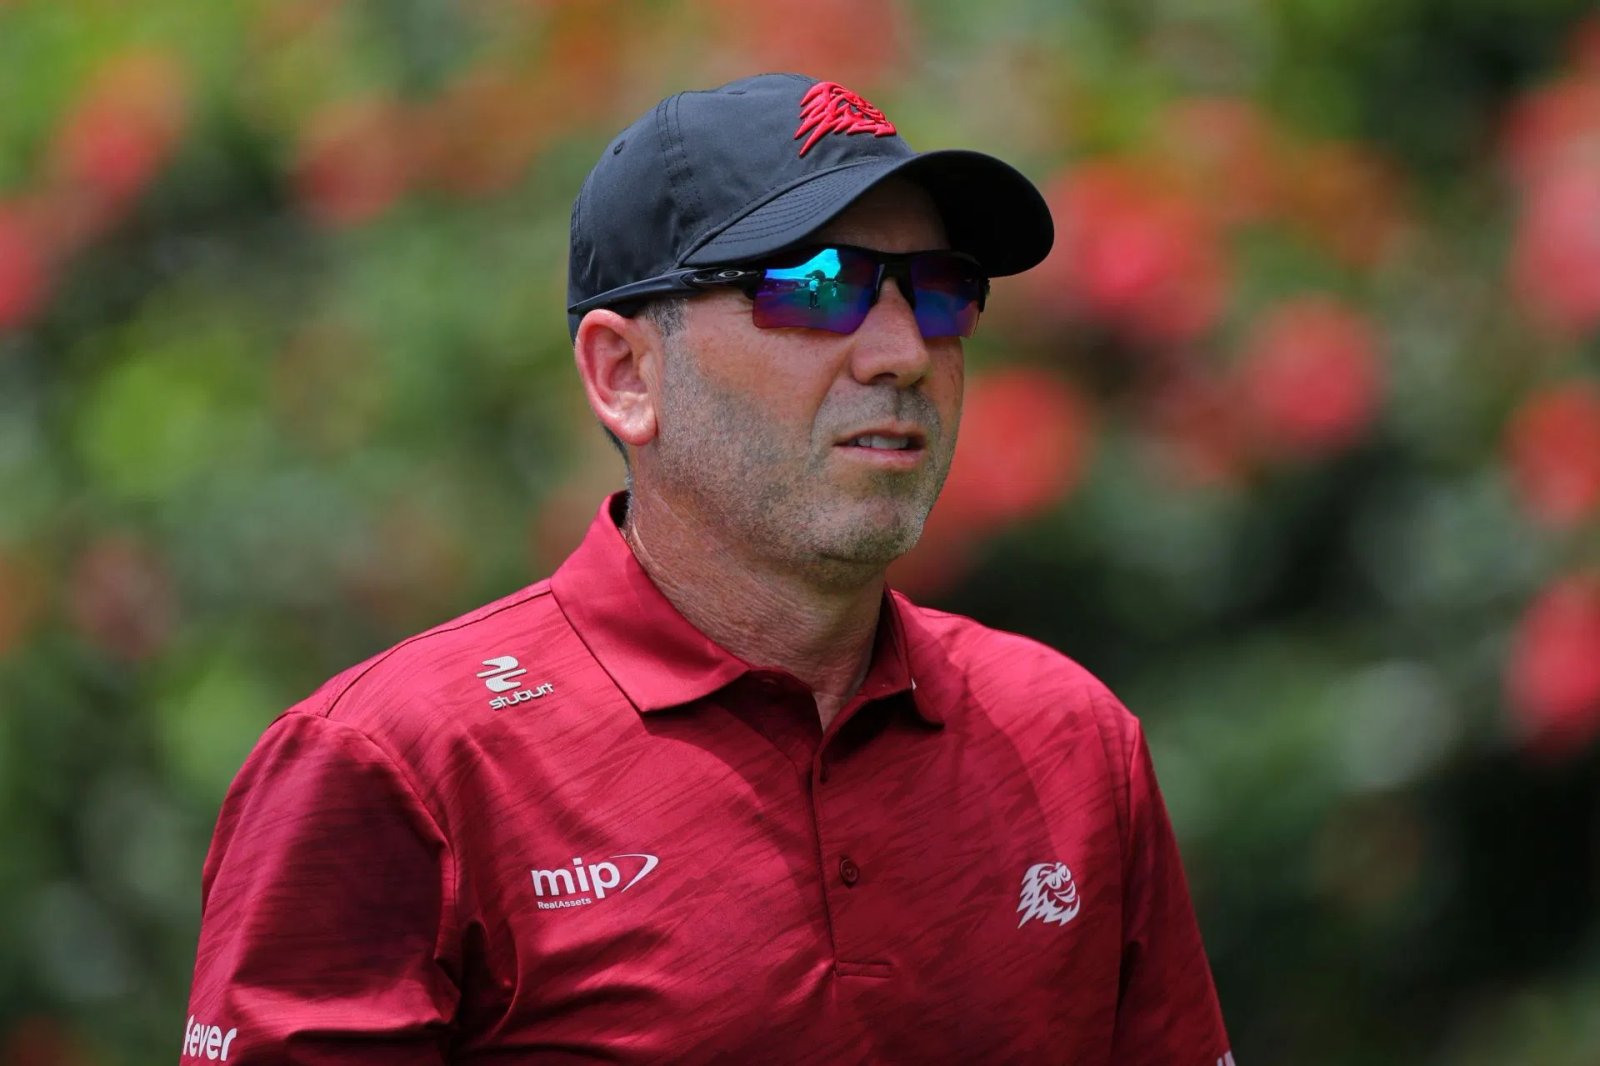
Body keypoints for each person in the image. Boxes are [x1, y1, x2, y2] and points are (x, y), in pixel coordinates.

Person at [182, 73, 1234, 1065]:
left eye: (940, 292)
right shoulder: (399, 767)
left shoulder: (1068, 741)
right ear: (625, 375)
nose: (905, 352)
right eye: (819, 286)